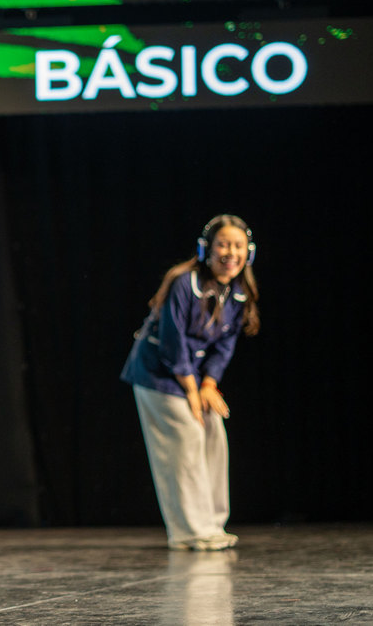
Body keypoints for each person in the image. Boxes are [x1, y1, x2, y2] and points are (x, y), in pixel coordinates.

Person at [120, 214, 260, 551]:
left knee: (214, 433)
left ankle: (212, 524)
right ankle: (189, 531)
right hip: (158, 373)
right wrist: (192, 389)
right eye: (223, 245)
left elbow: (224, 346)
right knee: (186, 439)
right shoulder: (185, 283)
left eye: (238, 246)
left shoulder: (238, 292)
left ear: (249, 252)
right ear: (206, 249)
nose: (231, 253)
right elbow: (172, 342)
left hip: (193, 378)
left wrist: (208, 385)